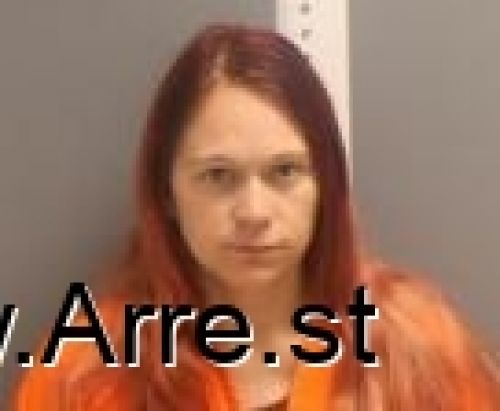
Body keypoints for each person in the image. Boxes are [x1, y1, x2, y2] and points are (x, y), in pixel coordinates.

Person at [9, 23, 498, 411]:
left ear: (325, 184)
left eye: (285, 171)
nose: (254, 213)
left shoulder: (419, 348)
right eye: (218, 175)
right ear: (167, 191)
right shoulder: (84, 371)